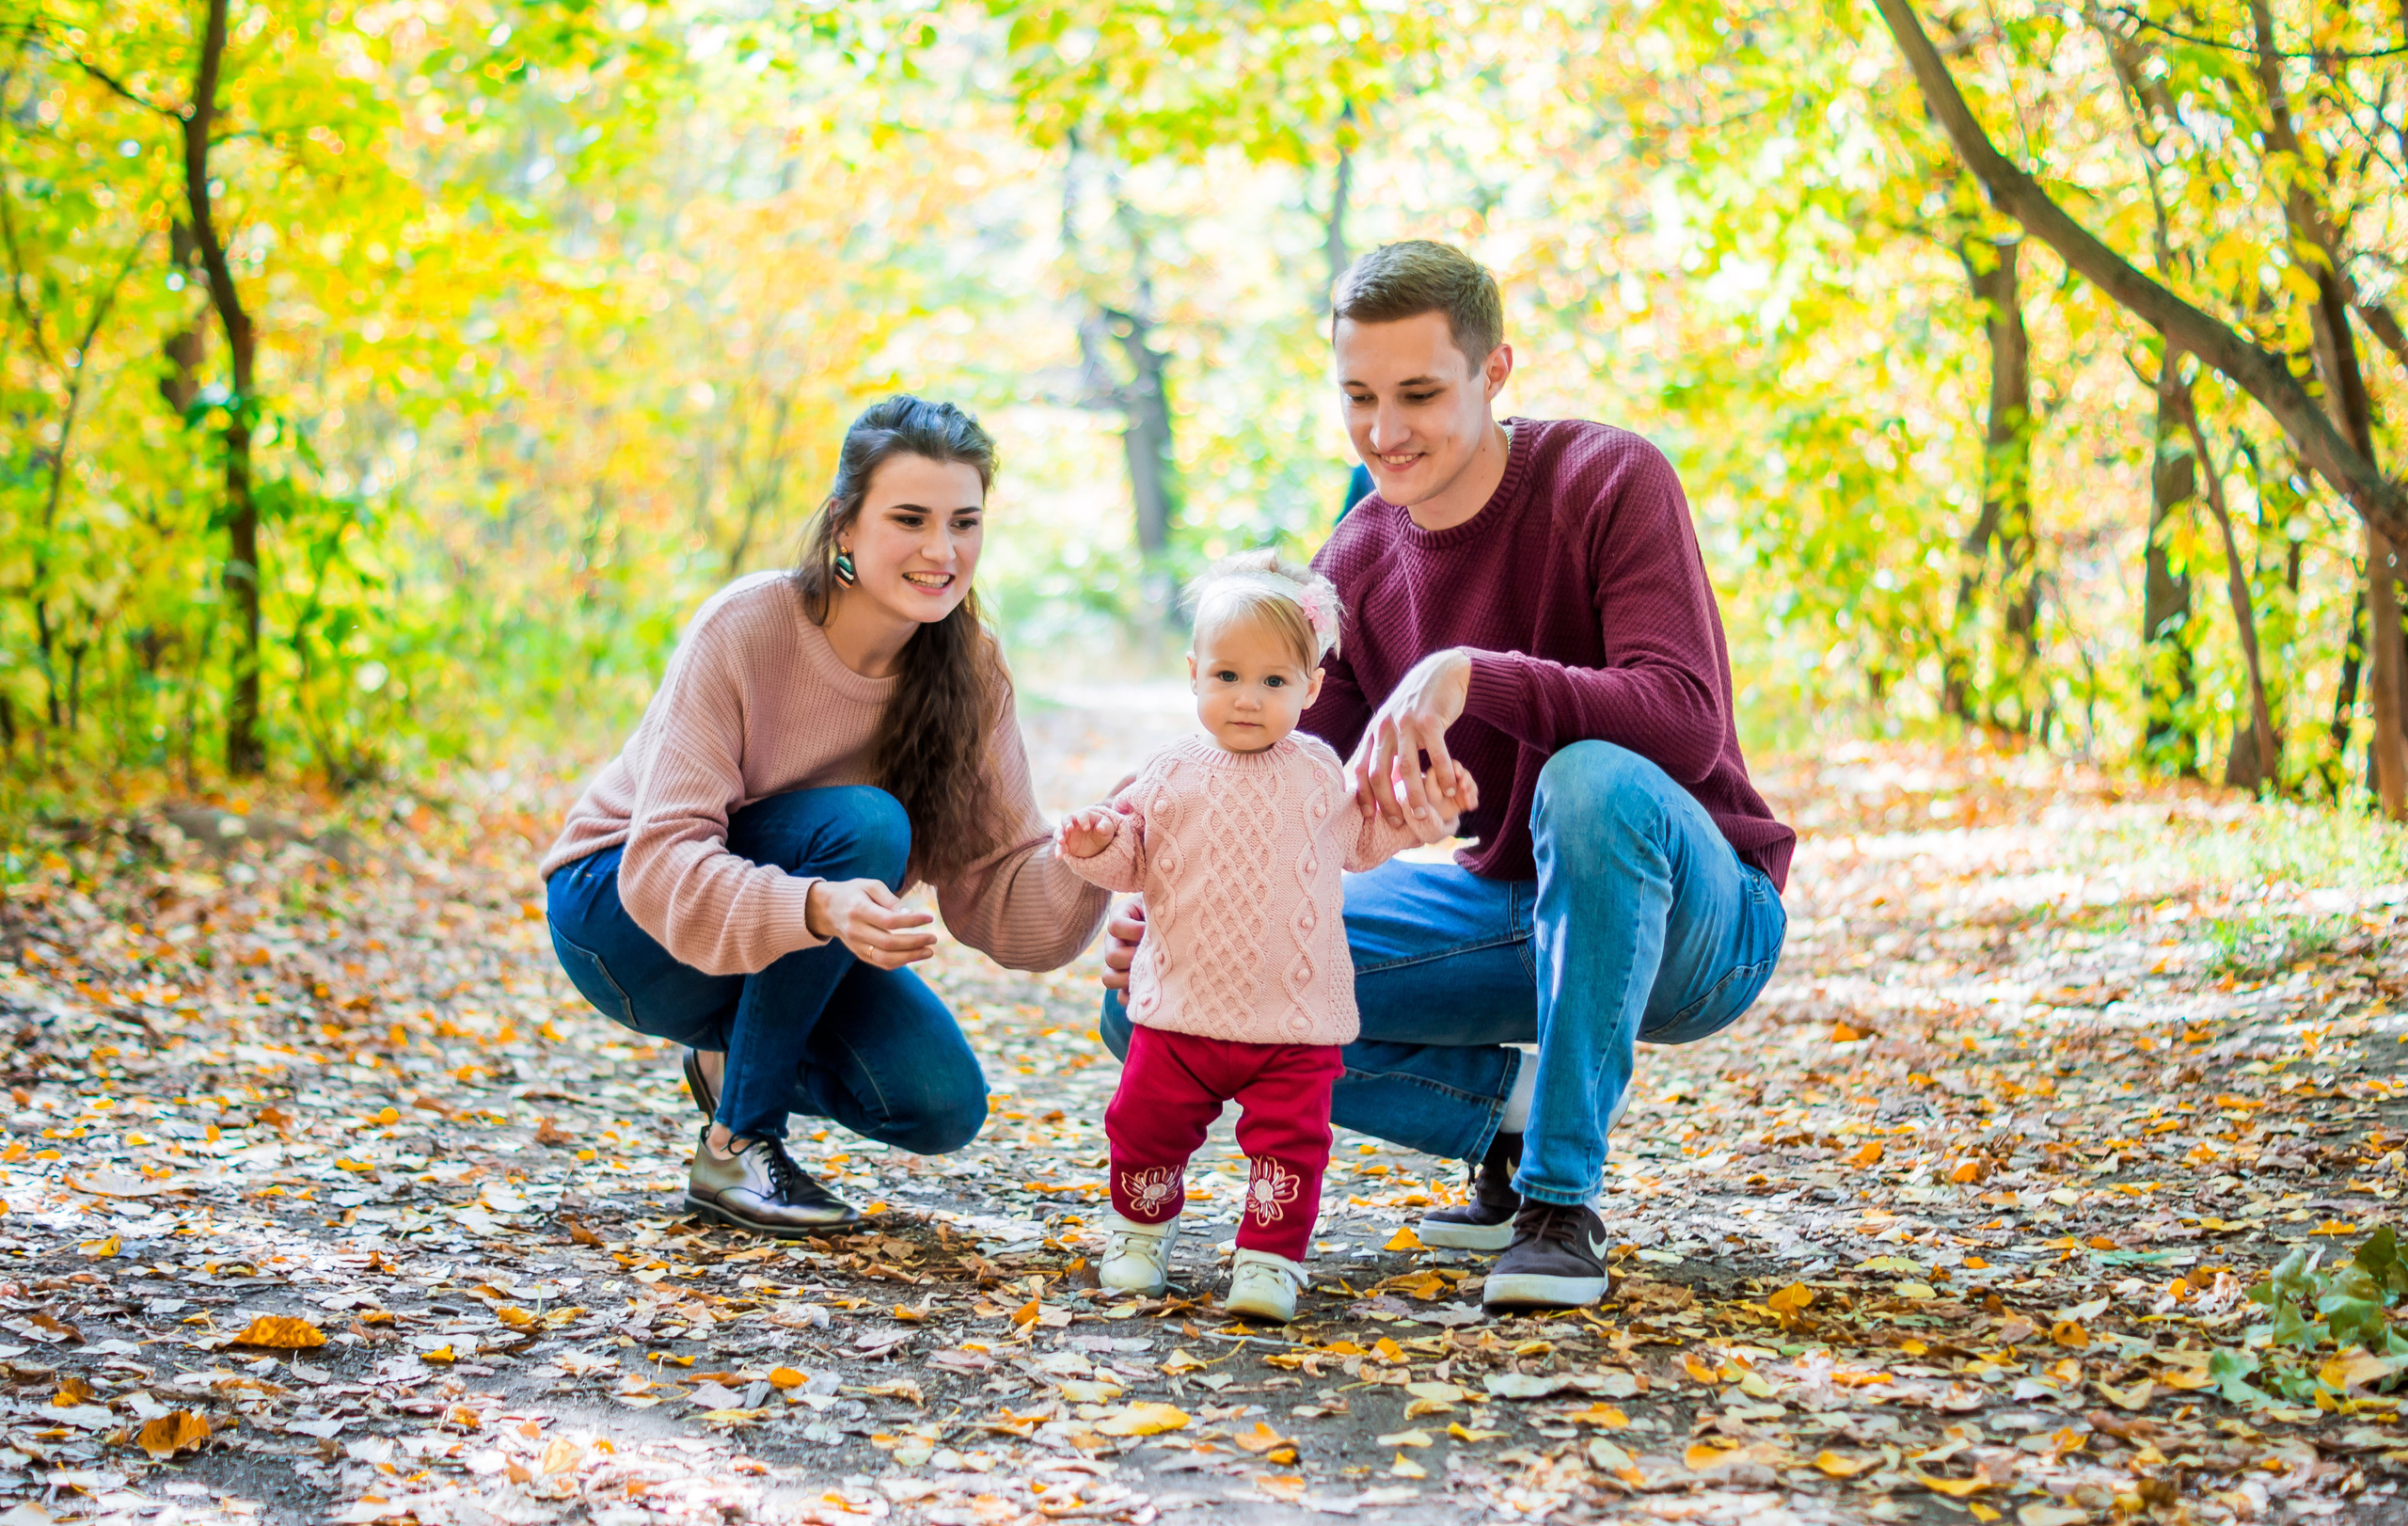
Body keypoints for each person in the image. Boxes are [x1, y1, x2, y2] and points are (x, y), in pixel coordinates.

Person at [1099, 242, 1795, 1311]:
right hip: (1503, 912)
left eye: (1419, 394)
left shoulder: (1609, 478)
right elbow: (1287, 791)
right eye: (1359, 396)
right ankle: (1506, 1119)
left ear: (1494, 371)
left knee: (1591, 782)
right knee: (1158, 1006)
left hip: (1697, 921)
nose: (1384, 432)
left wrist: (1468, 675)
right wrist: (1175, 896)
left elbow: (1685, 725)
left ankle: (1563, 1206)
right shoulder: (1357, 561)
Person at [542, 396, 1108, 1237]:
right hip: (619, 917)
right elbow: (661, 861)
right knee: (870, 826)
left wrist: (1096, 857)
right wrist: (816, 905)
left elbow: (1001, 895)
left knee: (939, 1102)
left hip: (782, 931)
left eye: (964, 522)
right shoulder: (750, 624)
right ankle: (738, 1141)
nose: (941, 550)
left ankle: (731, 1061)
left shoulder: (971, 671)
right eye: (909, 518)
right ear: (844, 525)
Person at [1055, 552, 1472, 1322]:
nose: (1247, 699)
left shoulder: (1320, 773)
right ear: (1194, 675)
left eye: (1273, 682)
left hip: (1293, 1020)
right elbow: (1133, 856)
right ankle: (1140, 1232)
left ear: (1312, 687)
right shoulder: (1171, 768)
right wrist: (1093, 840)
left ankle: (1270, 1257)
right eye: (1227, 677)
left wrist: (1429, 811)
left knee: (1291, 1145)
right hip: (1180, 1009)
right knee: (1143, 1125)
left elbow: (1368, 839)